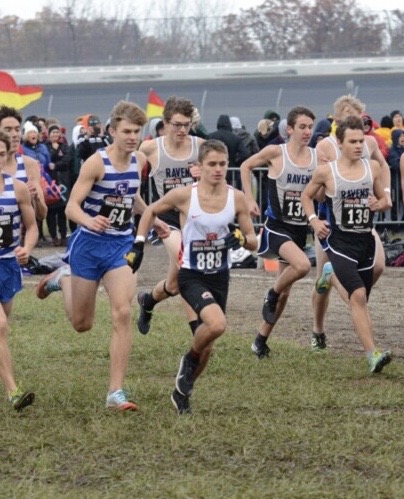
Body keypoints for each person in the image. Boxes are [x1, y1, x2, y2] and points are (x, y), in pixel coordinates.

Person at [35, 101, 169, 412]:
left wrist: (152, 217)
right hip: (89, 245)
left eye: (137, 131)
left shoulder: (138, 161)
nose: (133, 136)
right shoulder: (96, 163)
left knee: (122, 312)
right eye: (126, 131)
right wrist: (89, 220)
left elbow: (130, 196)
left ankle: (115, 392)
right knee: (82, 323)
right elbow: (71, 207)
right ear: (112, 131)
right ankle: (63, 279)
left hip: (120, 246)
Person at [127, 139, 257, 414]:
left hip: (220, 277)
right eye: (212, 164)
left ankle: (182, 391)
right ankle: (188, 360)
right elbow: (150, 210)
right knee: (217, 324)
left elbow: (253, 240)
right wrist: (139, 243)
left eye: (222, 164)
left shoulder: (236, 198)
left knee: (207, 344)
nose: (218, 169)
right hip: (191, 275)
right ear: (199, 167)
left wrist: (240, 239)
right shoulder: (186, 195)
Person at [301, 115, 392, 373]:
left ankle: (329, 277)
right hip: (339, 242)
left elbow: (385, 200)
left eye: (361, 141)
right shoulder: (326, 172)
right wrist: (314, 220)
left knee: (358, 299)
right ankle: (372, 354)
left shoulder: (372, 168)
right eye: (352, 141)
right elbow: (306, 197)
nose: (358, 146)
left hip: (365, 241)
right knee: (359, 296)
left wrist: (381, 203)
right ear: (339, 143)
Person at [240, 106, 317, 358]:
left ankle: (260, 340)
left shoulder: (316, 158)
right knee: (303, 266)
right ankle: (269, 293)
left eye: (310, 127)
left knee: (286, 291)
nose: (307, 132)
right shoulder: (276, 152)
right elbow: (245, 166)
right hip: (276, 227)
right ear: (290, 129)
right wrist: (249, 199)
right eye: (302, 127)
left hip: (299, 229)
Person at [136, 96, 205, 337]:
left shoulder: (201, 147)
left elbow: (220, 184)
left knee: (174, 285)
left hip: (194, 219)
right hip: (166, 221)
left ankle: (148, 301)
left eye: (186, 124)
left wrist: (204, 176)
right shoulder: (150, 149)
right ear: (165, 124)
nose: (182, 130)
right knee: (186, 265)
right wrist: (152, 216)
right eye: (177, 124)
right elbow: (131, 189)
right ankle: (198, 331)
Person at [0, 131, 39, 411]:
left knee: (1, 329)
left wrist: (26, 247)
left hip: (8, 265)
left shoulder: (18, 188)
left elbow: (34, 226)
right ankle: (13, 392)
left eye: (1, 154)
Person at [0, 106, 47, 223]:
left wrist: (36, 199)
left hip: (22, 239)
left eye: (17, 129)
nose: (15, 134)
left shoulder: (29, 164)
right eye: (8, 130)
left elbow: (42, 215)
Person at [45, 124, 71, 246]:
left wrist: (55, 165)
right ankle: (54, 236)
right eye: (53, 132)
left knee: (62, 211)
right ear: (48, 134)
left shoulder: (64, 147)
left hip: (62, 183)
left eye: (57, 132)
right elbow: (46, 160)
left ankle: (63, 235)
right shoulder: (45, 147)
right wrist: (56, 154)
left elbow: (67, 160)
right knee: (51, 212)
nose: (55, 135)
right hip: (50, 184)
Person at [207, 114, 250, 188]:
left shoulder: (210, 136)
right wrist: (235, 163)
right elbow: (245, 154)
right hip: (231, 171)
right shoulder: (236, 138)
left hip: (212, 170)